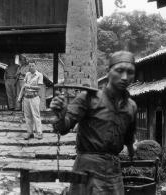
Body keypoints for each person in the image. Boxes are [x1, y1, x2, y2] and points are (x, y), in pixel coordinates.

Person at [50, 51, 137, 195]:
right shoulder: (88, 98)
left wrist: (134, 155)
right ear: (109, 72)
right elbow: (63, 127)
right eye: (119, 71)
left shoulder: (131, 107)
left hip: (113, 174)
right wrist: (60, 113)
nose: (125, 77)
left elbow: (129, 139)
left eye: (130, 72)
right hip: (86, 169)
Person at [18, 60, 43, 140]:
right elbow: (23, 86)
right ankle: (30, 133)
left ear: (35, 66)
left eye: (32, 66)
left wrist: (29, 86)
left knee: (36, 115)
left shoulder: (39, 75)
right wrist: (20, 97)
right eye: (30, 66)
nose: (31, 67)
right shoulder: (27, 75)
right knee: (27, 116)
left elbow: (39, 87)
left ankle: (39, 133)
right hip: (26, 98)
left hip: (34, 97)